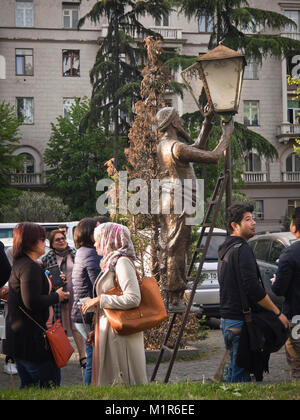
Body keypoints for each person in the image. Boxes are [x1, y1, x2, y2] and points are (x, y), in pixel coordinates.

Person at [156, 107, 233, 312]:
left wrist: (207, 122)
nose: (181, 122)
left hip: (169, 201)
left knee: (171, 246)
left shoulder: (165, 145)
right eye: (178, 119)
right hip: (179, 201)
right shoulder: (177, 147)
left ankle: (172, 294)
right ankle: (175, 298)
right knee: (177, 248)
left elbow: (197, 146)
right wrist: (226, 135)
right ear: (173, 123)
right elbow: (214, 156)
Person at [218, 204, 290, 383]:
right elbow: (253, 289)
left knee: (234, 372)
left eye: (253, 218)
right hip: (240, 323)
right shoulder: (242, 250)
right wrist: (277, 313)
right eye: (247, 220)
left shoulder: (224, 249)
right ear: (235, 226)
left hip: (227, 320)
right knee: (239, 379)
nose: (254, 223)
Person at [81, 222, 148, 386]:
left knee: (123, 385)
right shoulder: (111, 262)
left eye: (98, 240)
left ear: (110, 240)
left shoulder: (122, 262)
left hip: (120, 333)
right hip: (111, 330)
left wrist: (100, 300)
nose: (95, 244)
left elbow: (133, 298)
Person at [4, 222, 69, 388]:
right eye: (41, 239)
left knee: (29, 389)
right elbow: (31, 302)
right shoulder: (29, 267)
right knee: (47, 387)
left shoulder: (23, 263)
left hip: (22, 340)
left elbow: (31, 294)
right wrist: (57, 296)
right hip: (33, 342)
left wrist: (52, 284)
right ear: (31, 242)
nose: (44, 243)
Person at [42, 230, 86, 369]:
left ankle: (83, 356)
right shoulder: (47, 258)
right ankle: (59, 355)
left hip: (75, 293)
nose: (61, 241)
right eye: (57, 239)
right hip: (58, 295)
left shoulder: (75, 253)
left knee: (76, 325)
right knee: (57, 326)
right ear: (52, 244)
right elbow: (44, 279)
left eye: (63, 238)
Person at [71, 218, 102, 385]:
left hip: (81, 313)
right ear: (91, 234)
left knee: (92, 357)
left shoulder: (82, 251)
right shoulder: (90, 253)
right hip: (87, 314)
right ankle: (89, 392)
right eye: (97, 230)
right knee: (93, 358)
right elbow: (99, 285)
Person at [272, 207, 300, 380]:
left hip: (296, 317)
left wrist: (276, 282)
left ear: (293, 227)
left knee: (297, 365)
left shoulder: (290, 254)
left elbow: (279, 289)